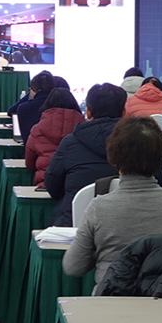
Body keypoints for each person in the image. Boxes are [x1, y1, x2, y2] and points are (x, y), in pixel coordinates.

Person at [63, 117, 162, 283]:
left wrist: (100, 251)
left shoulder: (99, 208)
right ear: (161, 159)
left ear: (114, 158)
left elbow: (73, 267)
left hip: (112, 294)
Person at [43, 84, 128, 226]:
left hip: (75, 224)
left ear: (88, 112)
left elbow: (52, 184)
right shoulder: (140, 142)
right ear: (124, 112)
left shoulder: (70, 142)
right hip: (129, 225)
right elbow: (158, 183)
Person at [24, 87, 83, 184]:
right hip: (76, 184)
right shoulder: (84, 129)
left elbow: (29, 164)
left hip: (45, 183)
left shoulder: (37, 129)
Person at [10, 71, 53, 141]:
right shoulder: (62, 105)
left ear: (33, 90)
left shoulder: (24, 108)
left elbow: (11, 110)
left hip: (33, 146)